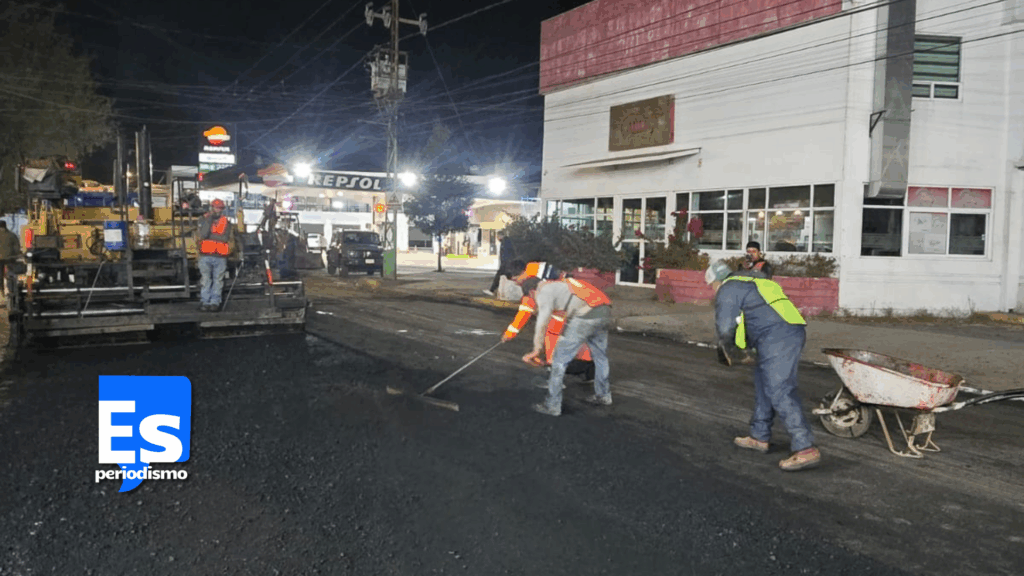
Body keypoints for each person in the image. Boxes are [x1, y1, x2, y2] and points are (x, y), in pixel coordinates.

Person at [705, 259, 820, 471]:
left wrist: (728, 350)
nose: (713, 291)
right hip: (783, 332)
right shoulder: (754, 280)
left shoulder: (728, 289)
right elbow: (758, 313)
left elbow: (725, 327)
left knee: (779, 389)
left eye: (711, 286)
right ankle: (759, 436)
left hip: (777, 337)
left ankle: (805, 448)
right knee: (763, 383)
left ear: (717, 281)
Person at [520, 275, 613, 416]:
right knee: (600, 357)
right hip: (605, 311)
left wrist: (536, 349)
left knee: (559, 361)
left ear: (532, 291)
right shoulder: (563, 284)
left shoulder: (544, 292)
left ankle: (552, 406)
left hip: (585, 316)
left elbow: (542, 323)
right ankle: (604, 396)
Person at [197, 199, 234, 311]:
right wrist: (209, 221)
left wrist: (211, 236)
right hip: (205, 255)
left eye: (220, 208)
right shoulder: (204, 219)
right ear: (211, 208)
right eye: (216, 207)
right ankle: (205, 302)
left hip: (219, 256)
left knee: (217, 281)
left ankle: (214, 303)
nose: (218, 210)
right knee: (206, 280)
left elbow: (225, 237)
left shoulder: (226, 222)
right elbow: (203, 234)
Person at [484, 231, 516, 296]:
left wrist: (504, 263)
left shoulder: (505, 242)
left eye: (497, 237)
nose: (497, 238)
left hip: (506, 264)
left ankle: (492, 290)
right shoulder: (507, 241)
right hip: (507, 264)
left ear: (500, 236)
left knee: (499, 277)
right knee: (509, 278)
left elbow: (505, 254)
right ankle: (495, 291)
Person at [0, 221, 21, 304]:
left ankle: (1, 292)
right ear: (5, 226)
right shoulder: (12, 235)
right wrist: (15, 255)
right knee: (11, 274)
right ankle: (11, 290)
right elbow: (17, 247)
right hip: (10, 259)